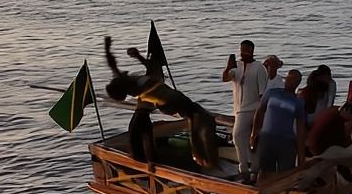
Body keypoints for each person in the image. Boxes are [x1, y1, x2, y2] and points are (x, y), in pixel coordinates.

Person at [103, 36, 221, 172]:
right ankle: (204, 163)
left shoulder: (129, 82)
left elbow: (112, 65)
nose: (125, 73)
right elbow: (154, 71)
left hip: (189, 112)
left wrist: (108, 49)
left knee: (200, 143)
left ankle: (205, 164)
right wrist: (138, 57)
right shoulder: (142, 87)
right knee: (199, 144)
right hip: (187, 111)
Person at [223, 39, 270, 179]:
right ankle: (245, 167)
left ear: (252, 51)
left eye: (247, 50)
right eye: (242, 50)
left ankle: (252, 168)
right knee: (240, 138)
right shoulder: (236, 66)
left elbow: (263, 93)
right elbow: (225, 78)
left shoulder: (259, 68)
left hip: (253, 108)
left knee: (249, 138)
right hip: (239, 109)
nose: (244, 53)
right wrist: (229, 64)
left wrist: (259, 114)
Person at [250, 69, 307, 178]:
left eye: (292, 80)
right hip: (267, 137)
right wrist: (254, 133)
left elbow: (300, 128)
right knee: (265, 169)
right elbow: (260, 111)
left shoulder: (298, 102)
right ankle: (261, 190)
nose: (288, 81)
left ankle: (283, 192)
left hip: (286, 141)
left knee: (286, 172)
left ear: (297, 83)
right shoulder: (272, 93)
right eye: (287, 78)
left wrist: (301, 154)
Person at [300, 101, 352, 188]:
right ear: (349, 112)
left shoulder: (332, 111)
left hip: (311, 148)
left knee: (338, 153)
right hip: (319, 151)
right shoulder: (336, 120)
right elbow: (343, 142)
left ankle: (330, 178)